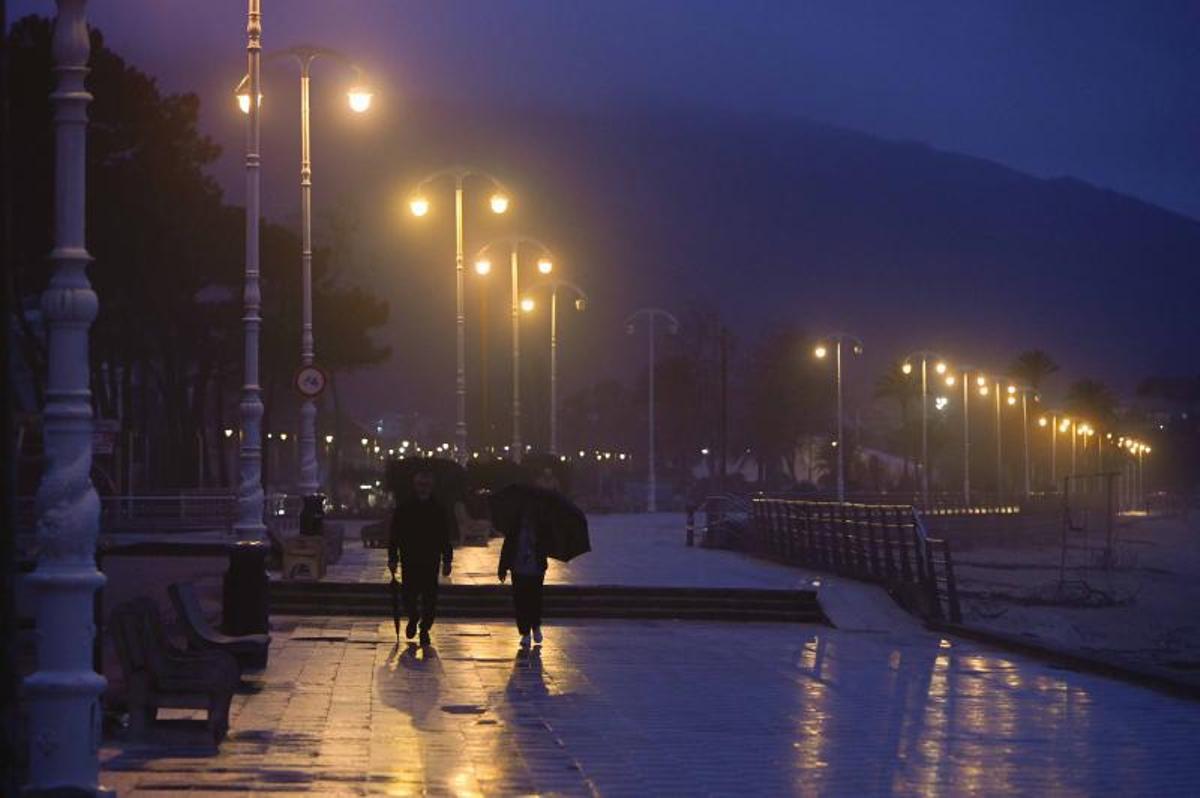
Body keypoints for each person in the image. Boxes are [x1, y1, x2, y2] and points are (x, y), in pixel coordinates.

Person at [388, 470, 453, 647]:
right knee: (408, 595)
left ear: (431, 487)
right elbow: (395, 534)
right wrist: (392, 557)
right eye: (420, 485)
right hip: (410, 559)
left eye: (426, 485)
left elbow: (444, 536)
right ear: (415, 486)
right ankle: (413, 617)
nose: (423, 488)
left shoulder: (438, 509)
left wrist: (447, 560)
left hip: (430, 559)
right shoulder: (404, 508)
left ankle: (424, 628)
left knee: (430, 599)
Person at [497, 504, 548, 648]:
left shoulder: (541, 527)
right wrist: (503, 567)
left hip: (535, 568)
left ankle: (536, 625)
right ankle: (525, 632)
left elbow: (546, 545)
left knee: (535, 600)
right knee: (520, 601)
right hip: (518, 568)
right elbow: (507, 547)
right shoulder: (515, 528)